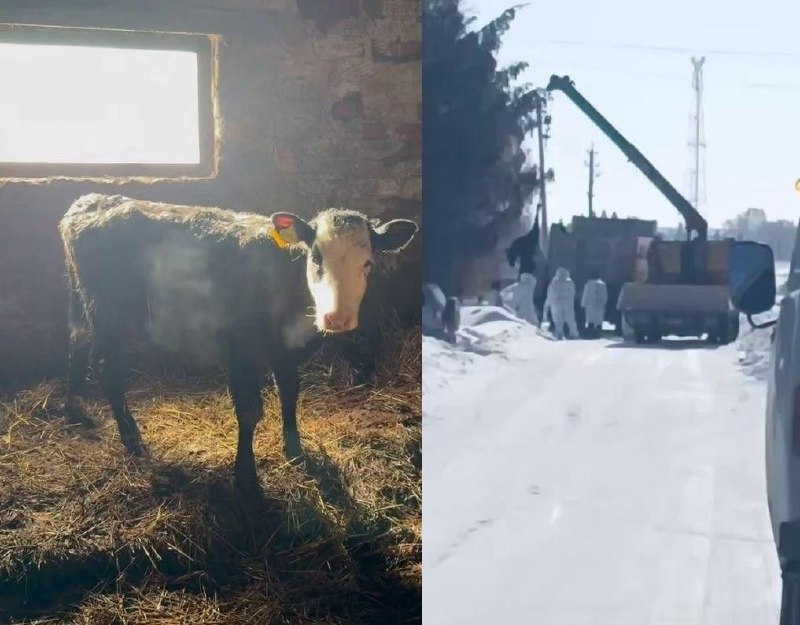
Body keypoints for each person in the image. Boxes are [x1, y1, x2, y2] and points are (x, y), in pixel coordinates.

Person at [544, 267, 578, 339]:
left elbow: (550, 293)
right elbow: (573, 293)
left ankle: (559, 333)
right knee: (570, 318)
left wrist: (548, 303)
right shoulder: (570, 282)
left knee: (558, 318)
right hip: (567, 302)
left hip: (557, 302)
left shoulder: (554, 282)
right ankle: (573, 333)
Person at [581, 274, 608, 338]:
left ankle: (590, 334)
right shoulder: (602, 284)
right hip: (600, 304)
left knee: (591, 319)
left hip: (590, 304)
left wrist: (583, 303)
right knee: (599, 319)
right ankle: (598, 334)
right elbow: (605, 295)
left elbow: (585, 294)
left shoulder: (588, 284)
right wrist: (604, 303)